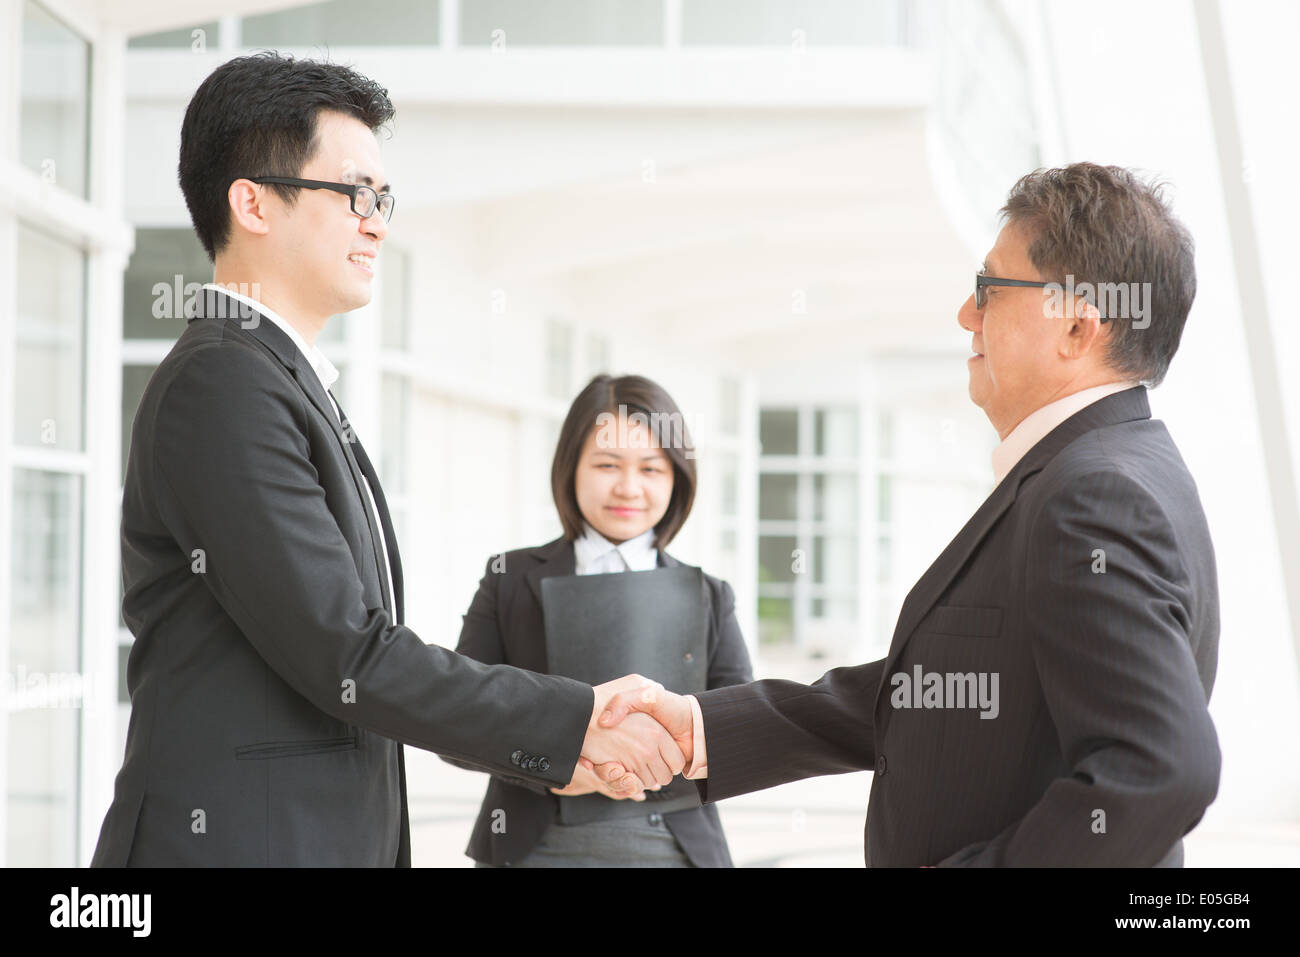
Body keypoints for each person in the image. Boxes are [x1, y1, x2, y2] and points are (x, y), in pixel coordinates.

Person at [92, 53, 679, 867]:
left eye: (384, 199)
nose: (377, 221)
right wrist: (573, 719)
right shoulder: (222, 383)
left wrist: (561, 748)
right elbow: (346, 651)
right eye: (354, 193)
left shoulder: (281, 379)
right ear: (253, 202)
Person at [598, 162, 1222, 867]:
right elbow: (950, 688)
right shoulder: (1103, 468)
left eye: (989, 288)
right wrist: (702, 726)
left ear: (1076, 326)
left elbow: (1164, 770)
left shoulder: (1095, 496)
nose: (966, 313)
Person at [444, 374, 754, 867]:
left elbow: (741, 732)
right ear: (571, 468)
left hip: (675, 850)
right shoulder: (510, 578)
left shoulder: (710, 595)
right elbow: (454, 720)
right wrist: (555, 764)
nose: (628, 487)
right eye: (608, 464)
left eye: (651, 469)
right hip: (534, 847)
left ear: (677, 478)